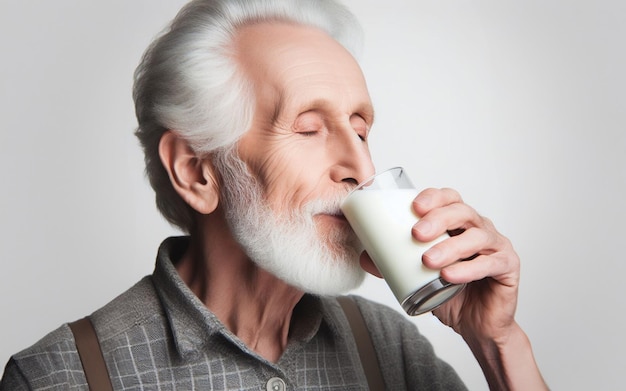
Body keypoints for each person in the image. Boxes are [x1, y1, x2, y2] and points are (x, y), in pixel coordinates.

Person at [0, 0, 548, 389]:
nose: (360, 166)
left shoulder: (387, 346)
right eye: (308, 129)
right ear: (197, 172)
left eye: (361, 129)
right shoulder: (61, 377)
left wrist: (498, 343)